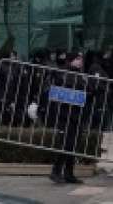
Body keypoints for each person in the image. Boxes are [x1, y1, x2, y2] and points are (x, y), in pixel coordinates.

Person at [47, 51, 88, 184]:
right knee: (66, 144)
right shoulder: (64, 74)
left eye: (81, 59)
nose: (80, 61)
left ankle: (69, 173)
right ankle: (56, 171)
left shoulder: (79, 74)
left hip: (76, 114)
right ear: (71, 60)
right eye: (78, 58)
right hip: (66, 115)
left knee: (73, 145)